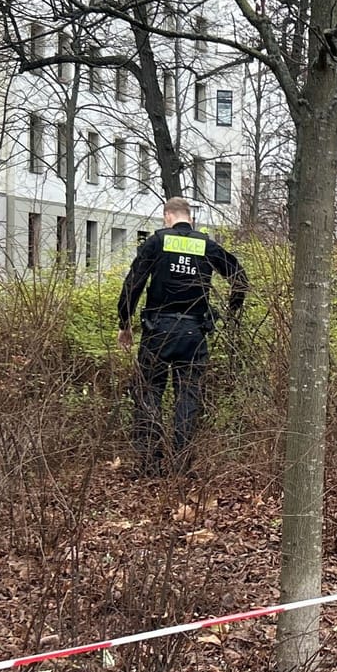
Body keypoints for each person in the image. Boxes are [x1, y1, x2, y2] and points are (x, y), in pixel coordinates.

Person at [117, 197, 248, 473]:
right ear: (189, 217)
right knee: (187, 397)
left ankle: (150, 464)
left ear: (167, 216)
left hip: (158, 331)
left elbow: (134, 282)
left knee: (149, 393)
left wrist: (125, 322)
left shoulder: (156, 242)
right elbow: (239, 277)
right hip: (194, 332)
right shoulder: (205, 245)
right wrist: (232, 311)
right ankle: (181, 465)